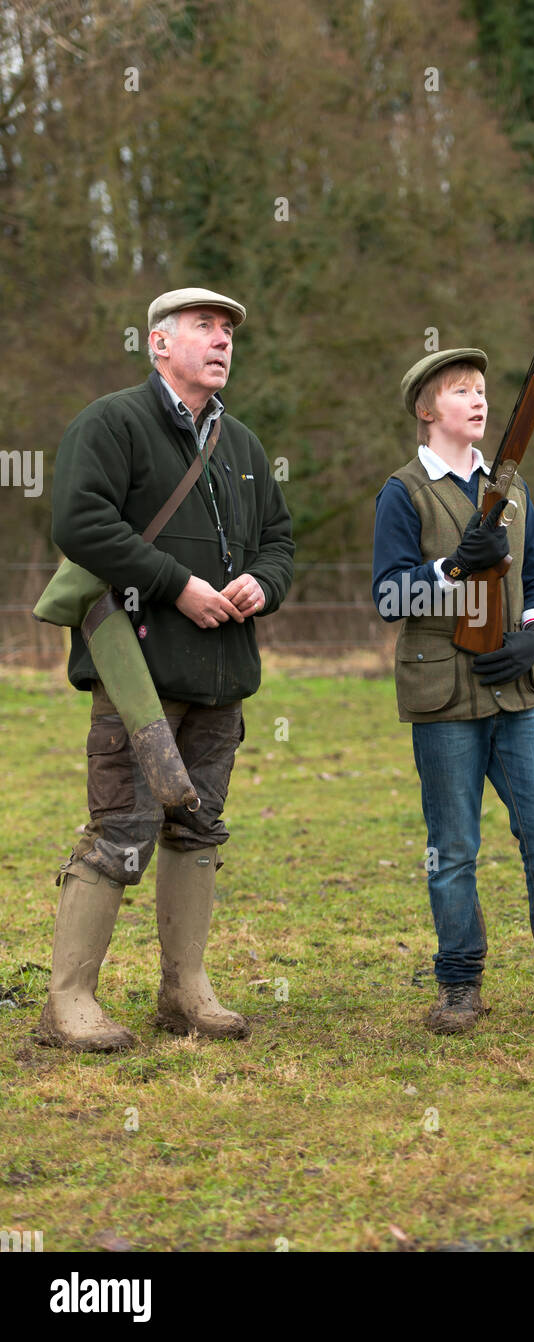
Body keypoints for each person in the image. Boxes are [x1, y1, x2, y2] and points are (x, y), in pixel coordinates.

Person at [36, 287, 295, 1050]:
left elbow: (279, 539)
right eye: (205, 328)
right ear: (158, 344)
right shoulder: (111, 423)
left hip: (223, 672)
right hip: (137, 670)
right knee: (120, 830)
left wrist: (263, 583)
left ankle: (185, 993)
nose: (222, 341)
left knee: (199, 830)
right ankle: (67, 1003)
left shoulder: (243, 446)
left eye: (227, 332)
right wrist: (174, 583)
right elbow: (79, 522)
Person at [372, 348, 534, 1034]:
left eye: (482, 390)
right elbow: (389, 595)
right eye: (461, 392)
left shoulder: (512, 489)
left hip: (518, 695)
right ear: (428, 411)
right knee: (452, 848)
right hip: (444, 702)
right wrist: (454, 566)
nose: (479, 401)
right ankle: (459, 986)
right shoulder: (402, 492)